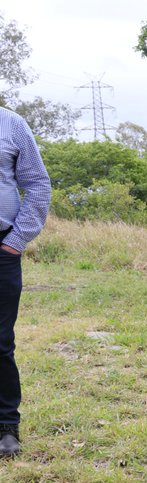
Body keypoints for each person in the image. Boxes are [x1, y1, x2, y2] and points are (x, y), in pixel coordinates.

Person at [0, 107, 51, 457]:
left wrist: (15, 241)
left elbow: (37, 184)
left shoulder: (12, 124)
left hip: (2, 248)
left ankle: (6, 426)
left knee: (0, 341)